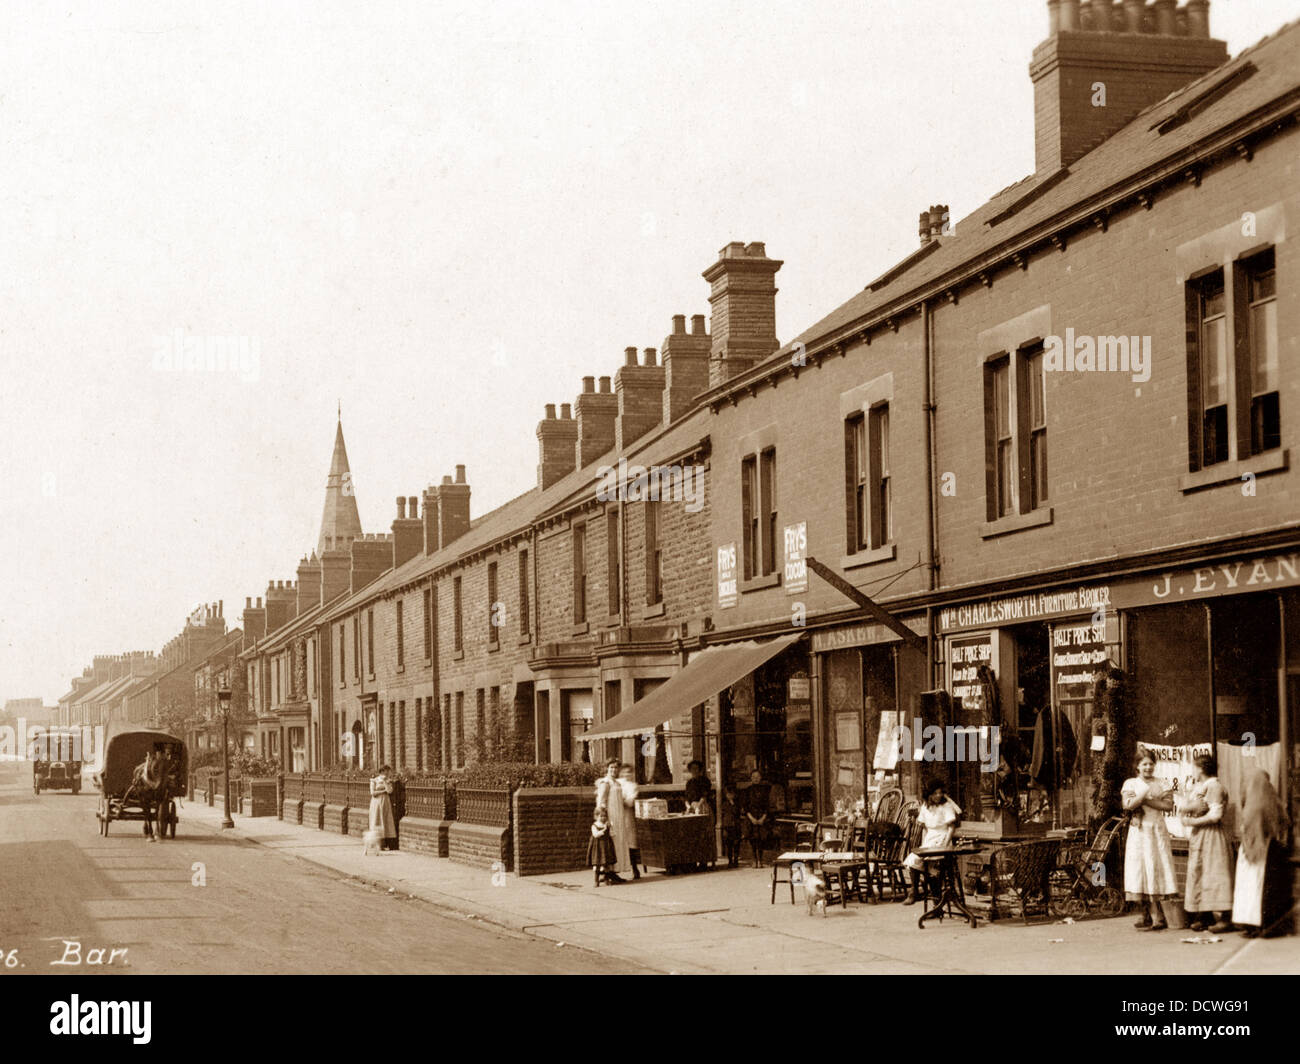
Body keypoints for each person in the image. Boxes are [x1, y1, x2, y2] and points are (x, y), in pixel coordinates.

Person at [1121, 750, 1179, 931]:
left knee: (1155, 866)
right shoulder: (1131, 783)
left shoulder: (1162, 783)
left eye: (1151, 764)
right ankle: (1145, 913)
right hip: (1139, 832)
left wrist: (1145, 800)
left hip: (1155, 830)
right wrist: (1142, 798)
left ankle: (1158, 915)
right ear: (1137, 766)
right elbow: (1127, 804)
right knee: (1140, 869)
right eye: (1144, 764)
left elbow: (1168, 805)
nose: (1148, 767)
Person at [1233, 770, 1290, 938]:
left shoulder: (1252, 804)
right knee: (1262, 891)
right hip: (1269, 850)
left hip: (1252, 851)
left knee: (1249, 889)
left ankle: (1250, 925)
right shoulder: (1273, 801)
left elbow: (1247, 830)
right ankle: (1263, 926)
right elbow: (1284, 822)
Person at [1180, 754, 1233, 933]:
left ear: (1201, 769)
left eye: (1194, 768)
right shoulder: (1199, 788)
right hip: (1199, 836)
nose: (1193, 772)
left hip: (1213, 836)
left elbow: (1215, 815)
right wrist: (1189, 810)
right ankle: (1205, 914)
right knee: (1200, 872)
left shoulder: (1215, 787)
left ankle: (1226, 917)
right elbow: (1184, 808)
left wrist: (1191, 821)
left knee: (1216, 873)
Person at [902, 778, 961, 905]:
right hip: (930, 839)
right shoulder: (925, 807)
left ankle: (936, 902)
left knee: (932, 866)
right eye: (935, 793)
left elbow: (951, 828)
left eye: (940, 792)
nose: (938, 795)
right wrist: (924, 845)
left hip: (943, 839)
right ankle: (914, 891)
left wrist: (945, 845)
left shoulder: (946, 806)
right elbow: (924, 828)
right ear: (929, 795)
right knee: (913, 859)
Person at [595, 760, 631, 882]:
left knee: (618, 843)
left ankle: (613, 871)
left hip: (618, 816)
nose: (613, 770)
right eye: (611, 767)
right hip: (611, 817)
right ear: (607, 768)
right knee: (611, 844)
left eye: (616, 768)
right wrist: (605, 820)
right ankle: (608, 872)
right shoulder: (605, 783)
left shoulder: (617, 783)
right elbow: (601, 803)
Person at [617, 763, 642, 878]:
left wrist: (620, 799)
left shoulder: (633, 786)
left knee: (630, 843)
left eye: (629, 772)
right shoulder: (617, 783)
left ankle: (635, 869)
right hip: (616, 815)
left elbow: (630, 802)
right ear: (621, 773)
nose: (627, 774)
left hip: (627, 816)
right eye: (625, 772)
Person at [742, 769, 771, 868]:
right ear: (751, 778)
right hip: (751, 817)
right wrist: (751, 818)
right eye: (753, 777)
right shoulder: (748, 790)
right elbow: (745, 807)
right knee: (753, 839)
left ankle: (761, 860)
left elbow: (767, 806)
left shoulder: (766, 790)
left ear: (761, 778)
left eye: (757, 777)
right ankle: (754, 859)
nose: (755, 779)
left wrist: (763, 818)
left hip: (762, 816)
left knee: (761, 839)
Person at [587, 807, 618, 886]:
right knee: (597, 864)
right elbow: (596, 835)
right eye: (601, 816)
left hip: (606, 846)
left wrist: (611, 828)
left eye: (604, 816)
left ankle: (606, 879)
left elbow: (612, 834)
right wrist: (604, 830)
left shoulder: (607, 825)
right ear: (596, 816)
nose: (603, 818)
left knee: (606, 863)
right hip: (598, 846)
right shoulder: (594, 825)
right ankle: (596, 880)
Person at [369, 764, 397, 851]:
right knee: (377, 820)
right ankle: (377, 843)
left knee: (386, 821)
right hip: (376, 803)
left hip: (385, 802)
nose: (388, 773)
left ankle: (388, 842)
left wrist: (385, 782)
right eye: (387, 771)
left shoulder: (388, 781)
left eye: (389, 771)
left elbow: (390, 791)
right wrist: (383, 791)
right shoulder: (374, 780)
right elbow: (373, 793)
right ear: (382, 771)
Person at [720, 784, 742, 867]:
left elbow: (737, 812)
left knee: (736, 844)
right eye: (728, 794)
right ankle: (730, 860)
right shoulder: (724, 804)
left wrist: (733, 804)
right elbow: (723, 814)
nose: (730, 796)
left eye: (731, 794)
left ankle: (736, 860)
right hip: (727, 826)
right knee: (728, 844)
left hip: (735, 826)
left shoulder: (736, 803)